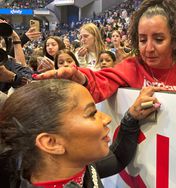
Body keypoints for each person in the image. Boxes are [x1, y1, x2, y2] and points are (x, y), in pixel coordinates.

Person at [0, 79, 161, 187]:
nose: (106, 119)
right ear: (51, 143)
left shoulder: (79, 165)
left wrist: (131, 118)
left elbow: (117, 158)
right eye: (92, 113)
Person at [34, 0, 176, 103]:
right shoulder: (132, 67)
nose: (148, 48)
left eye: (159, 39)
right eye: (142, 40)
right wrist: (79, 76)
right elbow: (99, 83)